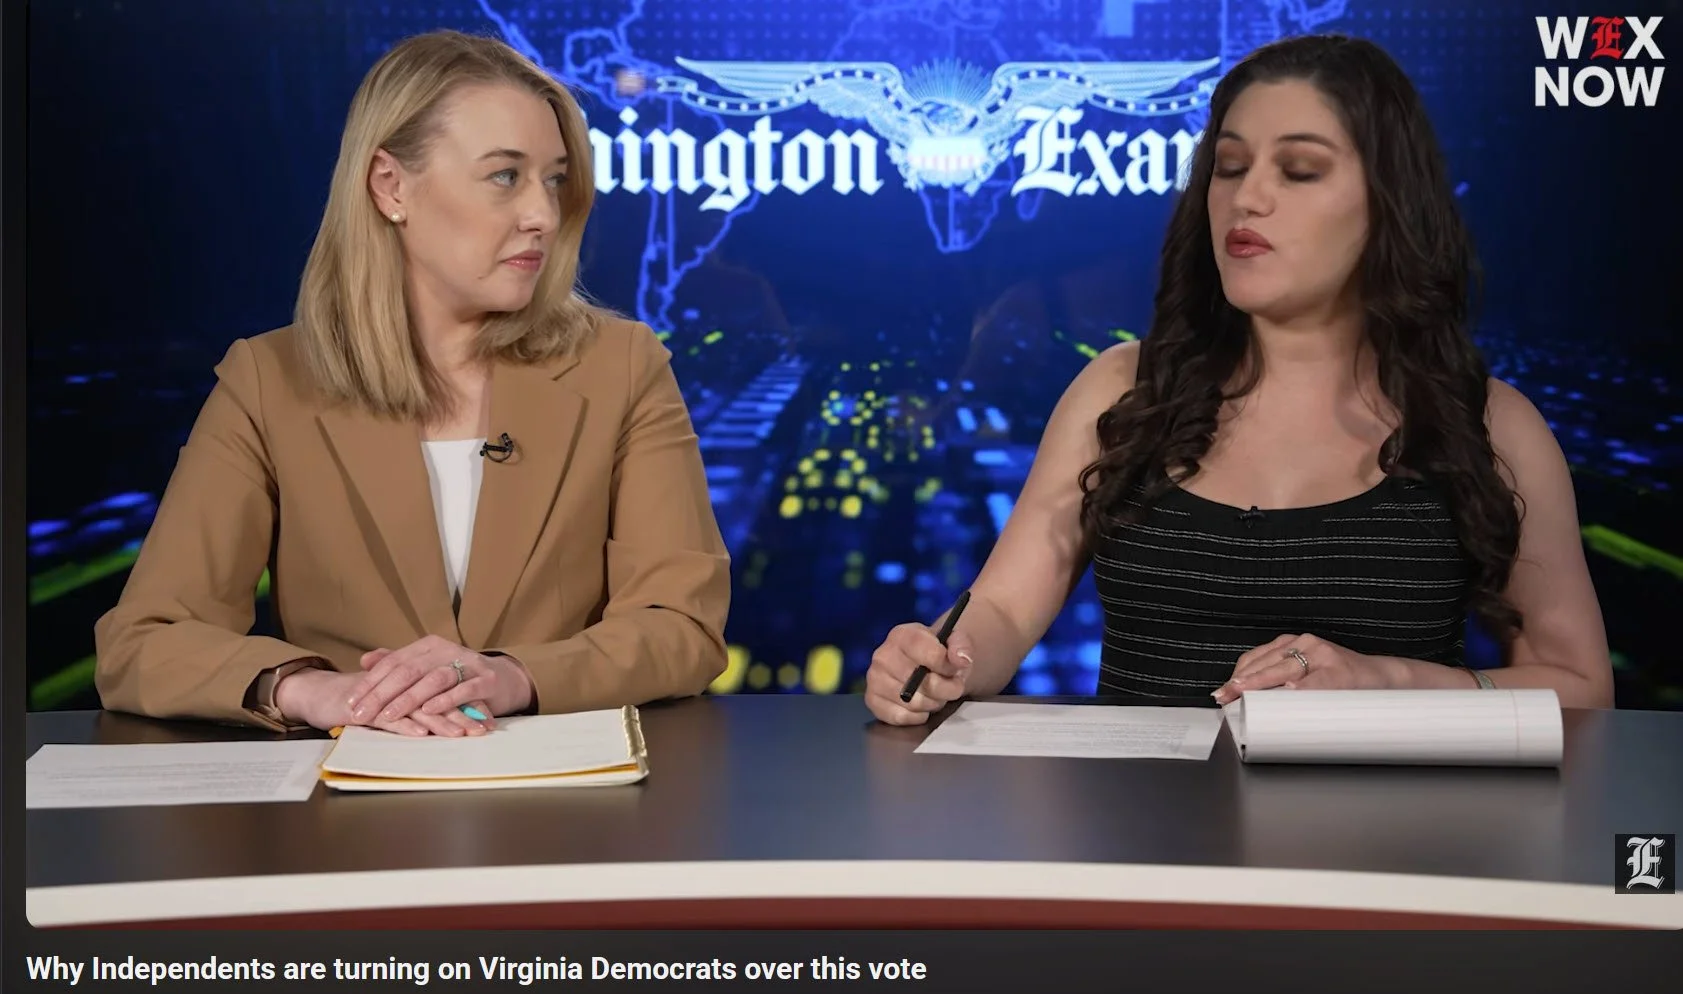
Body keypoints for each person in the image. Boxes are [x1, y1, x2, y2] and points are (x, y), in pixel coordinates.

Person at [864, 34, 1614, 724]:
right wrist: (939, 660)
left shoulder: (1487, 425)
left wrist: (1387, 680)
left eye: (1298, 170)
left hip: (1393, 825)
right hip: (1141, 819)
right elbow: (999, 611)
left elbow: (1580, 687)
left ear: (1388, 202)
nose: (1247, 198)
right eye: (1229, 167)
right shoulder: (1122, 392)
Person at [95, 30, 730, 734]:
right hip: (348, 787)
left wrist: (512, 676)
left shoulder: (623, 367)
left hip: (563, 780)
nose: (544, 215)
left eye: (554, 180)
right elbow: (142, 644)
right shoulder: (268, 381)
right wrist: (313, 692)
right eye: (505, 176)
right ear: (391, 186)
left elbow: (681, 627)